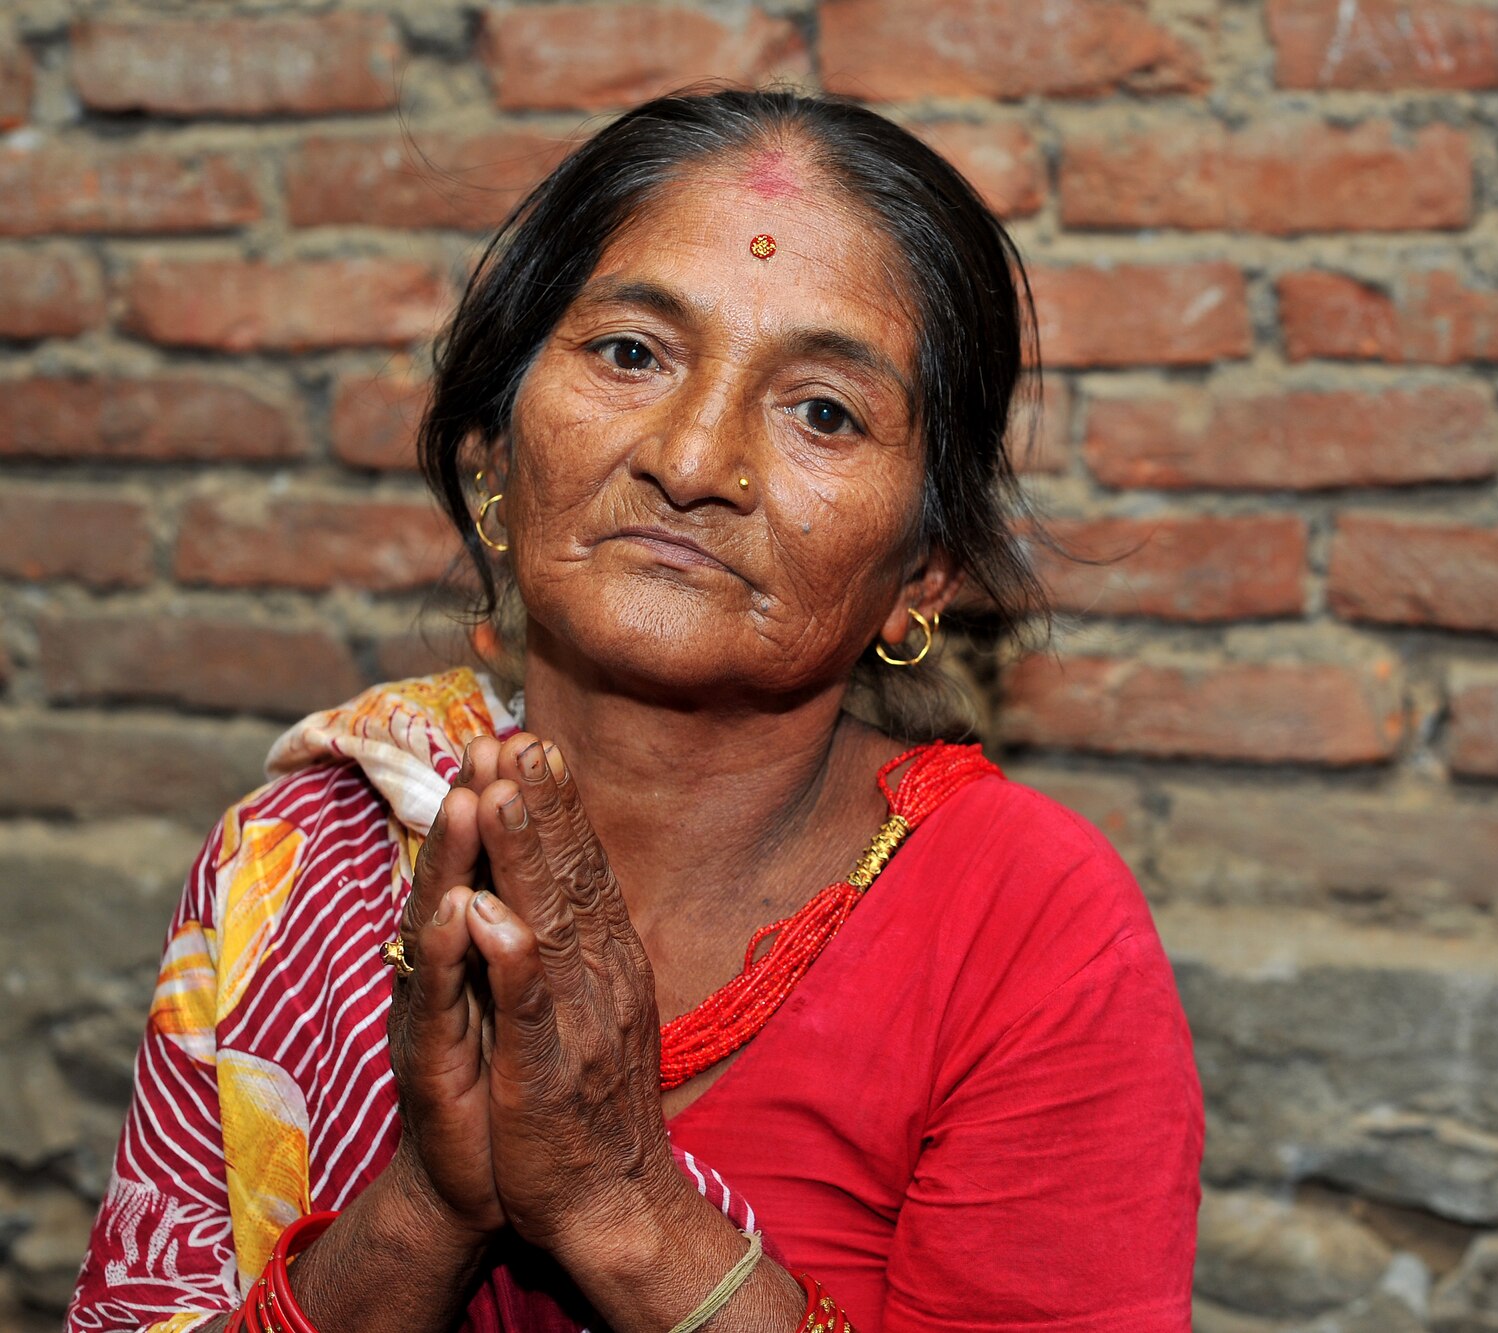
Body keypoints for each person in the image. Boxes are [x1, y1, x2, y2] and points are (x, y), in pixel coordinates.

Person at [65, 90, 1202, 1333]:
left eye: (822, 409)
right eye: (629, 353)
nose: (695, 459)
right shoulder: (299, 860)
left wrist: (621, 1203)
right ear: (494, 449)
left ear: (923, 573)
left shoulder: (1027, 930)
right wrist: (429, 1207)